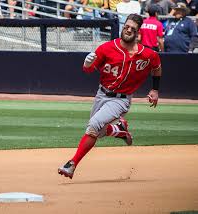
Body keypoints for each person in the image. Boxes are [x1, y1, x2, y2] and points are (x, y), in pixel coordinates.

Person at [58, 13, 162, 179]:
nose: (128, 30)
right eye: (126, 27)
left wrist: (155, 90)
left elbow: (157, 68)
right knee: (97, 132)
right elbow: (89, 70)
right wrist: (87, 64)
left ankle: (72, 164)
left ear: (138, 32)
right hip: (102, 94)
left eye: (132, 29)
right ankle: (118, 130)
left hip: (121, 100)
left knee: (93, 126)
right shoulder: (107, 48)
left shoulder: (148, 54)